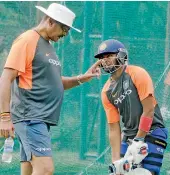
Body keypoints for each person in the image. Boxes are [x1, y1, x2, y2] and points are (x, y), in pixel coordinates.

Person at [0, 3, 101, 175]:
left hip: (38, 120)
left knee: (29, 170)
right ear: (51, 21)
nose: (66, 34)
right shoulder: (27, 40)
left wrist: (82, 78)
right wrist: (4, 117)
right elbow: (6, 78)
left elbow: (54, 83)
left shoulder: (47, 46)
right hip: (30, 117)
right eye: (65, 29)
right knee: (45, 170)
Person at [94, 39, 168, 175]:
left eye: (109, 55)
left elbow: (149, 110)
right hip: (128, 135)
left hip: (153, 130)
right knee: (119, 173)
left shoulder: (138, 74)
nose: (105, 60)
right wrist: (115, 161)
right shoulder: (106, 91)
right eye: (102, 57)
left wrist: (139, 139)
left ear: (121, 56)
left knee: (145, 173)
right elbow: (113, 128)